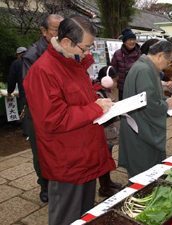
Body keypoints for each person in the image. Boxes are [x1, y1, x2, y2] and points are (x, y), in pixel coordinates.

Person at [23, 15, 116, 225]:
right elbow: (53, 118)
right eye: (85, 47)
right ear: (66, 42)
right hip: (66, 159)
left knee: (84, 214)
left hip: (84, 152)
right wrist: (94, 108)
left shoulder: (73, 63)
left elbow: (77, 99)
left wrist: (98, 100)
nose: (88, 53)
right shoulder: (43, 71)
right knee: (67, 216)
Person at [118, 41, 172, 178]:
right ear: (160, 55)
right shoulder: (144, 69)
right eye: (168, 62)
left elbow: (149, 95)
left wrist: (163, 100)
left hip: (137, 124)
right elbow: (149, 103)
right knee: (144, 172)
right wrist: (166, 105)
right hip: (141, 128)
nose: (167, 66)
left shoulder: (143, 66)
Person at [21, 14, 64, 203]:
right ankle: (44, 184)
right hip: (39, 113)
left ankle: (58, 181)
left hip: (60, 109)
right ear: (44, 31)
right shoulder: (32, 56)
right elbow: (32, 91)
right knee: (40, 153)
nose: (60, 34)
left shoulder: (64, 50)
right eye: (56, 30)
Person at [93, 66, 122, 197]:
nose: (116, 84)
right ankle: (104, 188)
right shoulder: (98, 94)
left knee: (108, 157)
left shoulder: (107, 91)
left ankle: (108, 181)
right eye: (115, 81)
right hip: (103, 132)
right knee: (104, 159)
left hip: (109, 131)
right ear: (106, 81)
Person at [110, 28, 141, 100]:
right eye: (129, 39)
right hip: (122, 87)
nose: (132, 42)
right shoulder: (118, 53)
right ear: (124, 41)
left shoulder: (140, 53)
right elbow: (112, 69)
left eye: (134, 39)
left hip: (136, 86)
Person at [7, 47, 27, 136]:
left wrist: (9, 91)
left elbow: (11, 78)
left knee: (25, 111)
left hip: (23, 91)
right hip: (36, 90)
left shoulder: (16, 63)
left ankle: (27, 132)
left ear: (18, 54)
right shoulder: (34, 59)